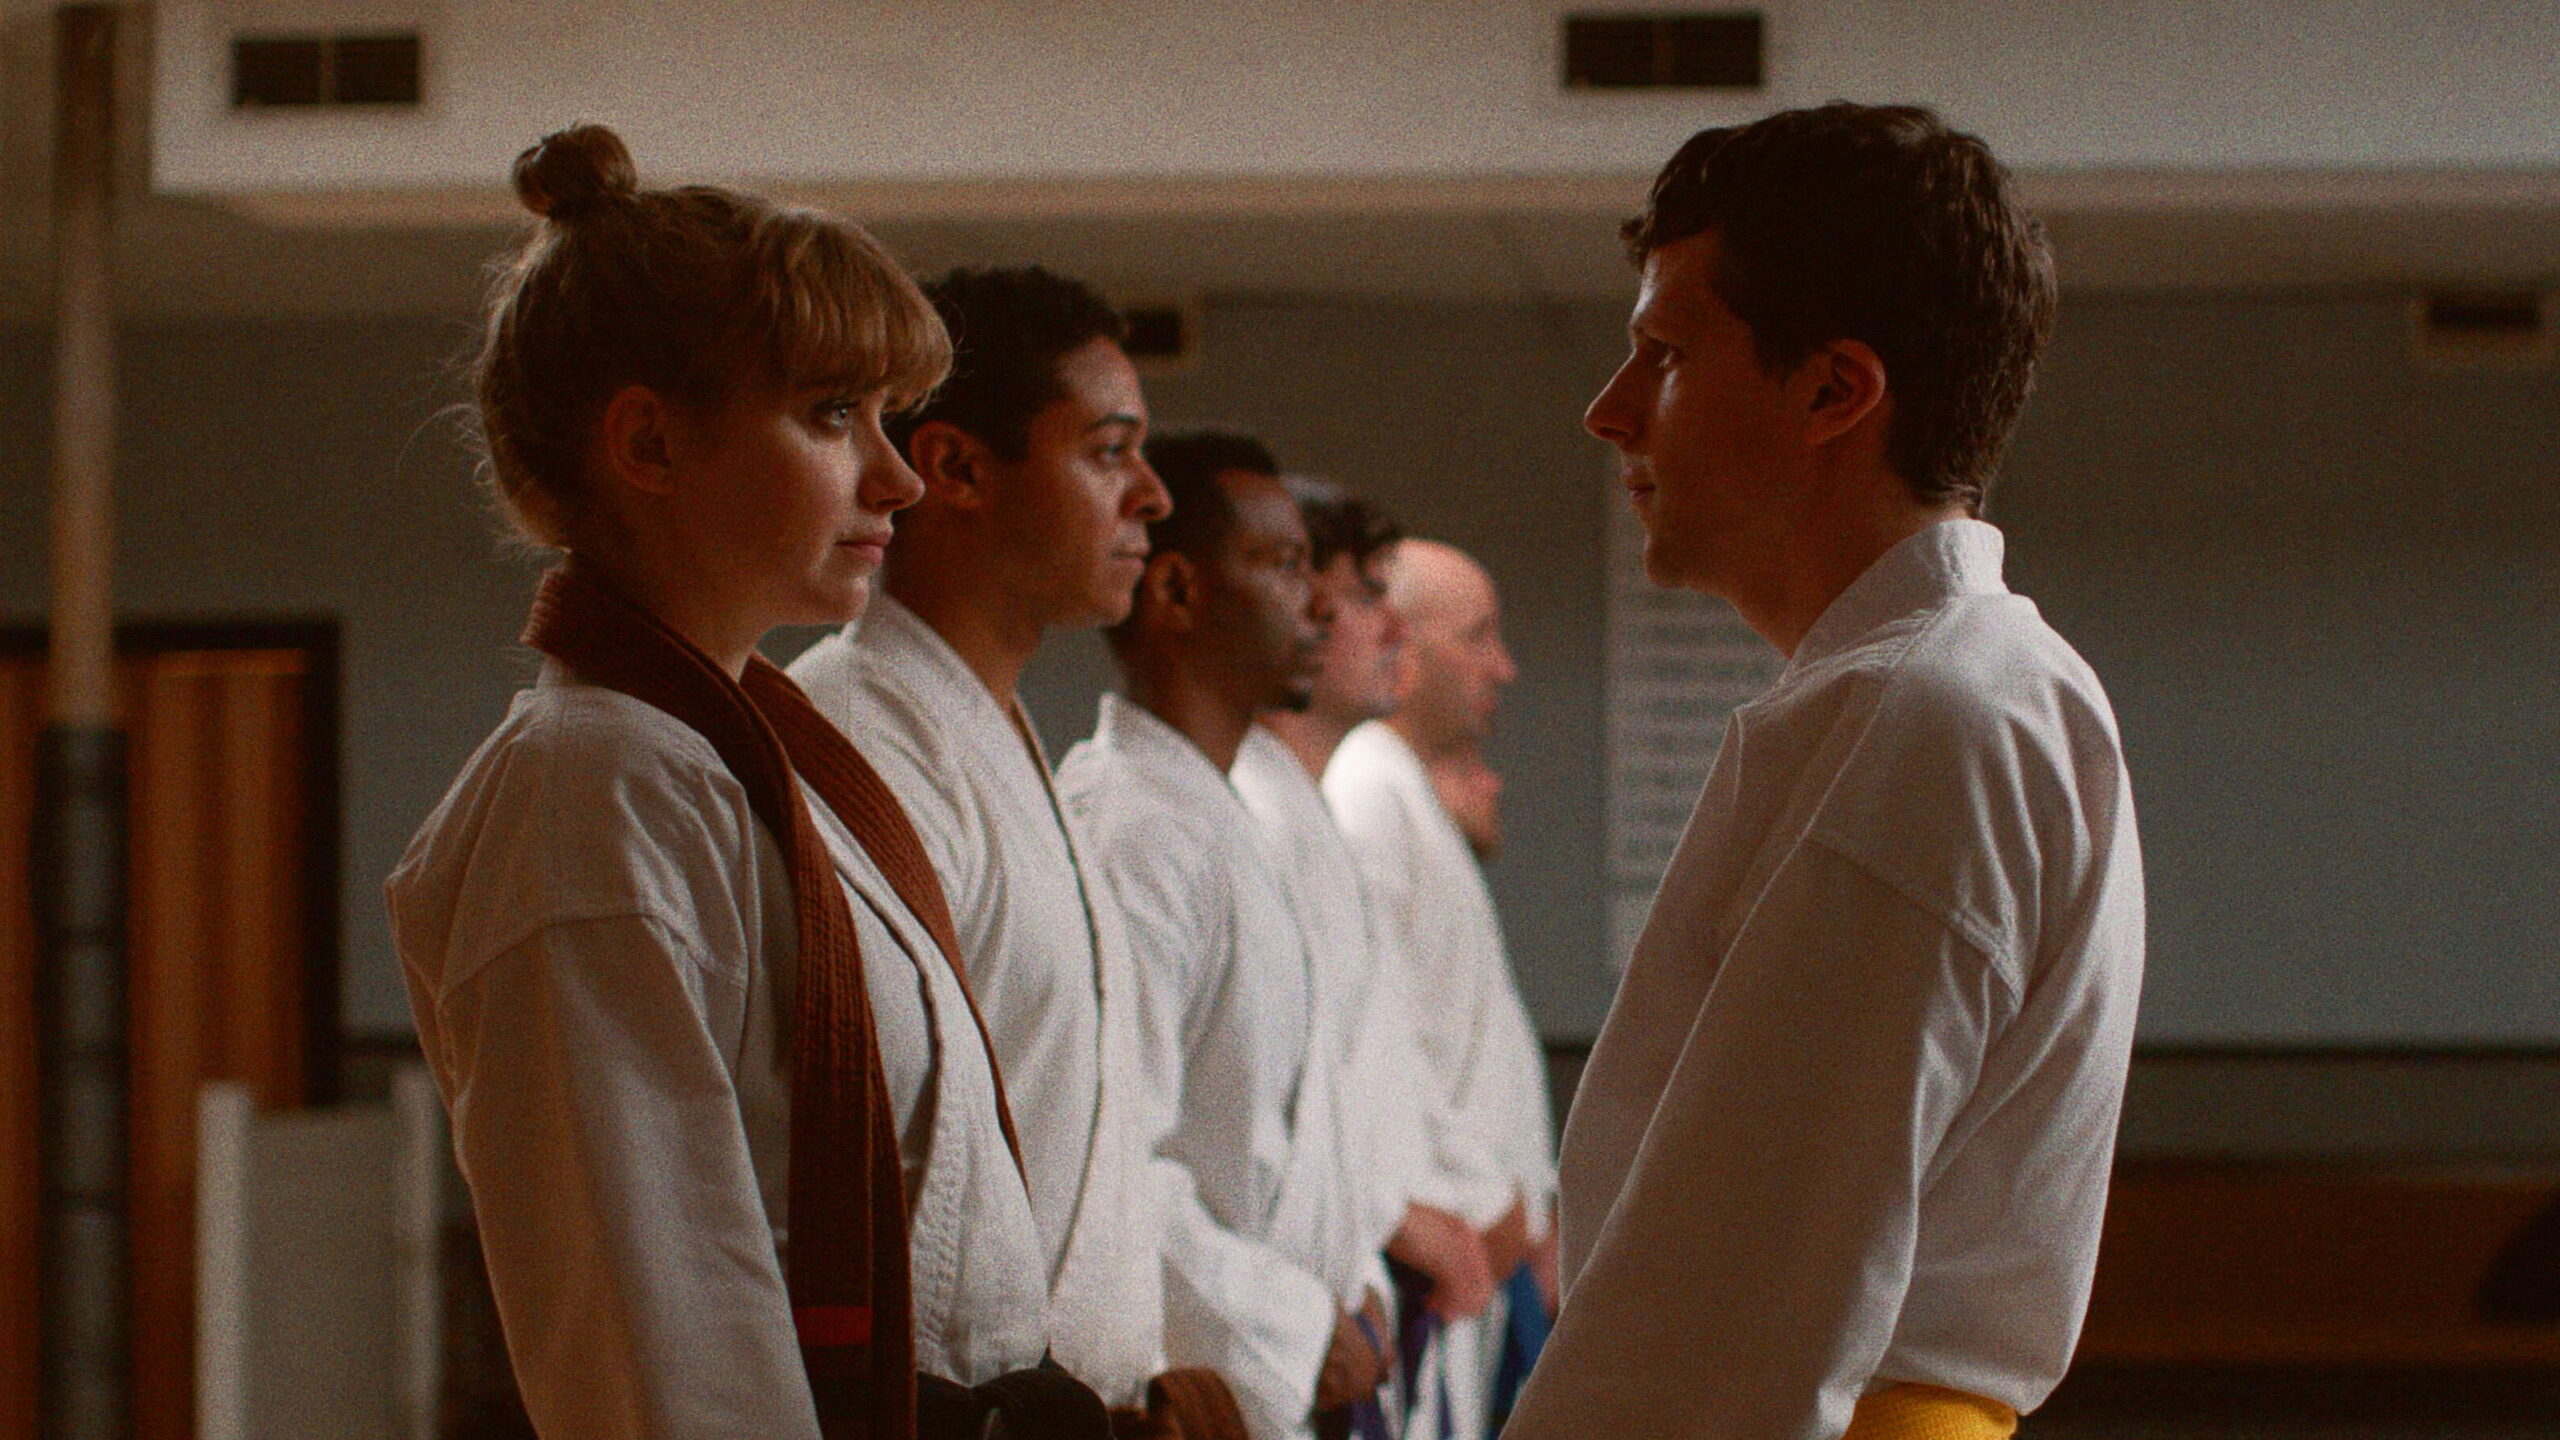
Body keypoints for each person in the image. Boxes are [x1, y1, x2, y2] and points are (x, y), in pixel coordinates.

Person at [387, 126, 1098, 1440]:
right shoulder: (590, 792)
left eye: (884, 418)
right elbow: (659, 1331)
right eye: (832, 417)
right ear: (649, 443)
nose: (895, 475)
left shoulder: (752, 761)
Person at [1502, 103, 2145, 1440]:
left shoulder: (1932, 715)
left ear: (1833, 391)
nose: (1607, 413)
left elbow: (1734, 1314)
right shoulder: (1943, 691)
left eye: (1665, 357)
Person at [787, 267, 1226, 1429]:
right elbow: (867, 1152)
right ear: (958, 470)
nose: (1150, 496)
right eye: (1108, 452)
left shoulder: (996, 737)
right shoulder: (858, 735)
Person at [1058, 432, 1387, 1440]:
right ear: (1176, 592)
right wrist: (1295, 1328)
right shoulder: (1132, 830)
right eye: (1283, 565)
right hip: (1205, 1381)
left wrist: (1352, 1278)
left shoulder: (1213, 813)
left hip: (1292, 1360)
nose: (1320, 604)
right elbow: (1110, 1158)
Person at [1233, 482, 1511, 1427]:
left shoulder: (1312, 806)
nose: (1391, 629)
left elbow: (1383, 1063)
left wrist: (1487, 1201)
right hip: (1313, 1304)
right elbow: (1242, 1119)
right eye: (1364, 596)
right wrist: (1406, 1217)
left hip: (1371, 1287)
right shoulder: (1291, 806)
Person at [1322, 539, 1557, 1440]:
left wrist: (1528, 1208)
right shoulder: (1366, 788)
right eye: (1478, 636)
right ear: (1401, 643)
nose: (1503, 667)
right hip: (1442, 1250)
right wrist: (1466, 1207)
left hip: (1478, 1248)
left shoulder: (1404, 792)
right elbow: (1375, 1044)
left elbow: (1461, 1041)